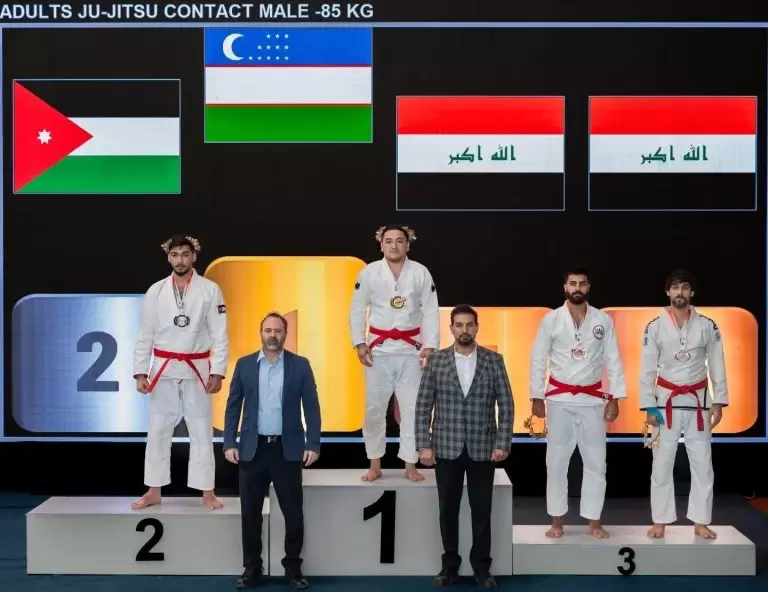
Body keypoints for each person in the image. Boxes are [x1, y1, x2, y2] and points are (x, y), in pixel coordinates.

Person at [415, 304, 514, 588]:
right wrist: (423, 444)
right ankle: (449, 567)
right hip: (445, 448)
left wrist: (502, 442)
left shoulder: (494, 360)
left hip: (484, 448)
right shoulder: (437, 361)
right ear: (451, 328)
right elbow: (423, 405)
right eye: (459, 325)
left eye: (469, 324)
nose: (464, 330)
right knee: (447, 511)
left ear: (477, 327)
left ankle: (482, 568)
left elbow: (506, 404)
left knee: (482, 512)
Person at [223, 312, 321, 589]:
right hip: (252, 451)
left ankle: (293, 569)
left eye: (278, 331)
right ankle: (252, 569)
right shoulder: (244, 365)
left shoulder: (300, 365)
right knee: (250, 514)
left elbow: (312, 407)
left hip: (287, 451)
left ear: (285, 334)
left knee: (293, 513)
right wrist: (229, 442)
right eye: (268, 330)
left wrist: (313, 443)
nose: (273, 335)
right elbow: (233, 406)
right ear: (261, 333)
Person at [132, 234, 228, 510]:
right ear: (168, 257)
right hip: (163, 370)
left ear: (194, 256)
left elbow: (220, 334)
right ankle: (153, 490)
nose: (180, 260)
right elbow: (145, 334)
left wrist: (218, 371)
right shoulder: (156, 291)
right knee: (158, 430)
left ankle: (207, 492)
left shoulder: (210, 290)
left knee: (201, 431)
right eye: (175, 255)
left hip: (197, 369)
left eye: (185, 254)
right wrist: (141, 371)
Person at [529, 267, 626, 539]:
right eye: (572, 283)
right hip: (559, 399)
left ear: (589, 287)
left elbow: (613, 359)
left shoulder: (602, 320)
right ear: (565, 287)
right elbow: (538, 359)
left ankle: (594, 521)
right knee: (556, 462)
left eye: (582, 283)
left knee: (596, 462)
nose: (577, 288)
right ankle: (557, 521)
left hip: (592, 399)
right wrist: (536, 396)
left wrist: (615, 397)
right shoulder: (551, 320)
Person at [640, 270, 727, 540]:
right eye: (675, 288)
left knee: (702, 464)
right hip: (665, 401)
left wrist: (719, 400)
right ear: (668, 292)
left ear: (692, 292)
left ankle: (700, 521)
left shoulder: (708, 325)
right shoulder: (654, 326)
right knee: (661, 464)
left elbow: (717, 363)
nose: (680, 292)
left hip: (698, 401)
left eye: (685, 288)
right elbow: (646, 369)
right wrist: (648, 405)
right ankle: (660, 521)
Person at [349, 224, 440, 482]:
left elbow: (430, 310)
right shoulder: (369, 273)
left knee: (412, 410)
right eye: (389, 241)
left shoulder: (420, 272)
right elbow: (357, 309)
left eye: (399, 241)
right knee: (374, 410)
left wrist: (430, 345)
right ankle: (375, 463)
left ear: (407, 244)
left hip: (411, 351)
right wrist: (359, 342)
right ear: (381, 245)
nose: (394, 245)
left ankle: (410, 465)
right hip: (378, 351)